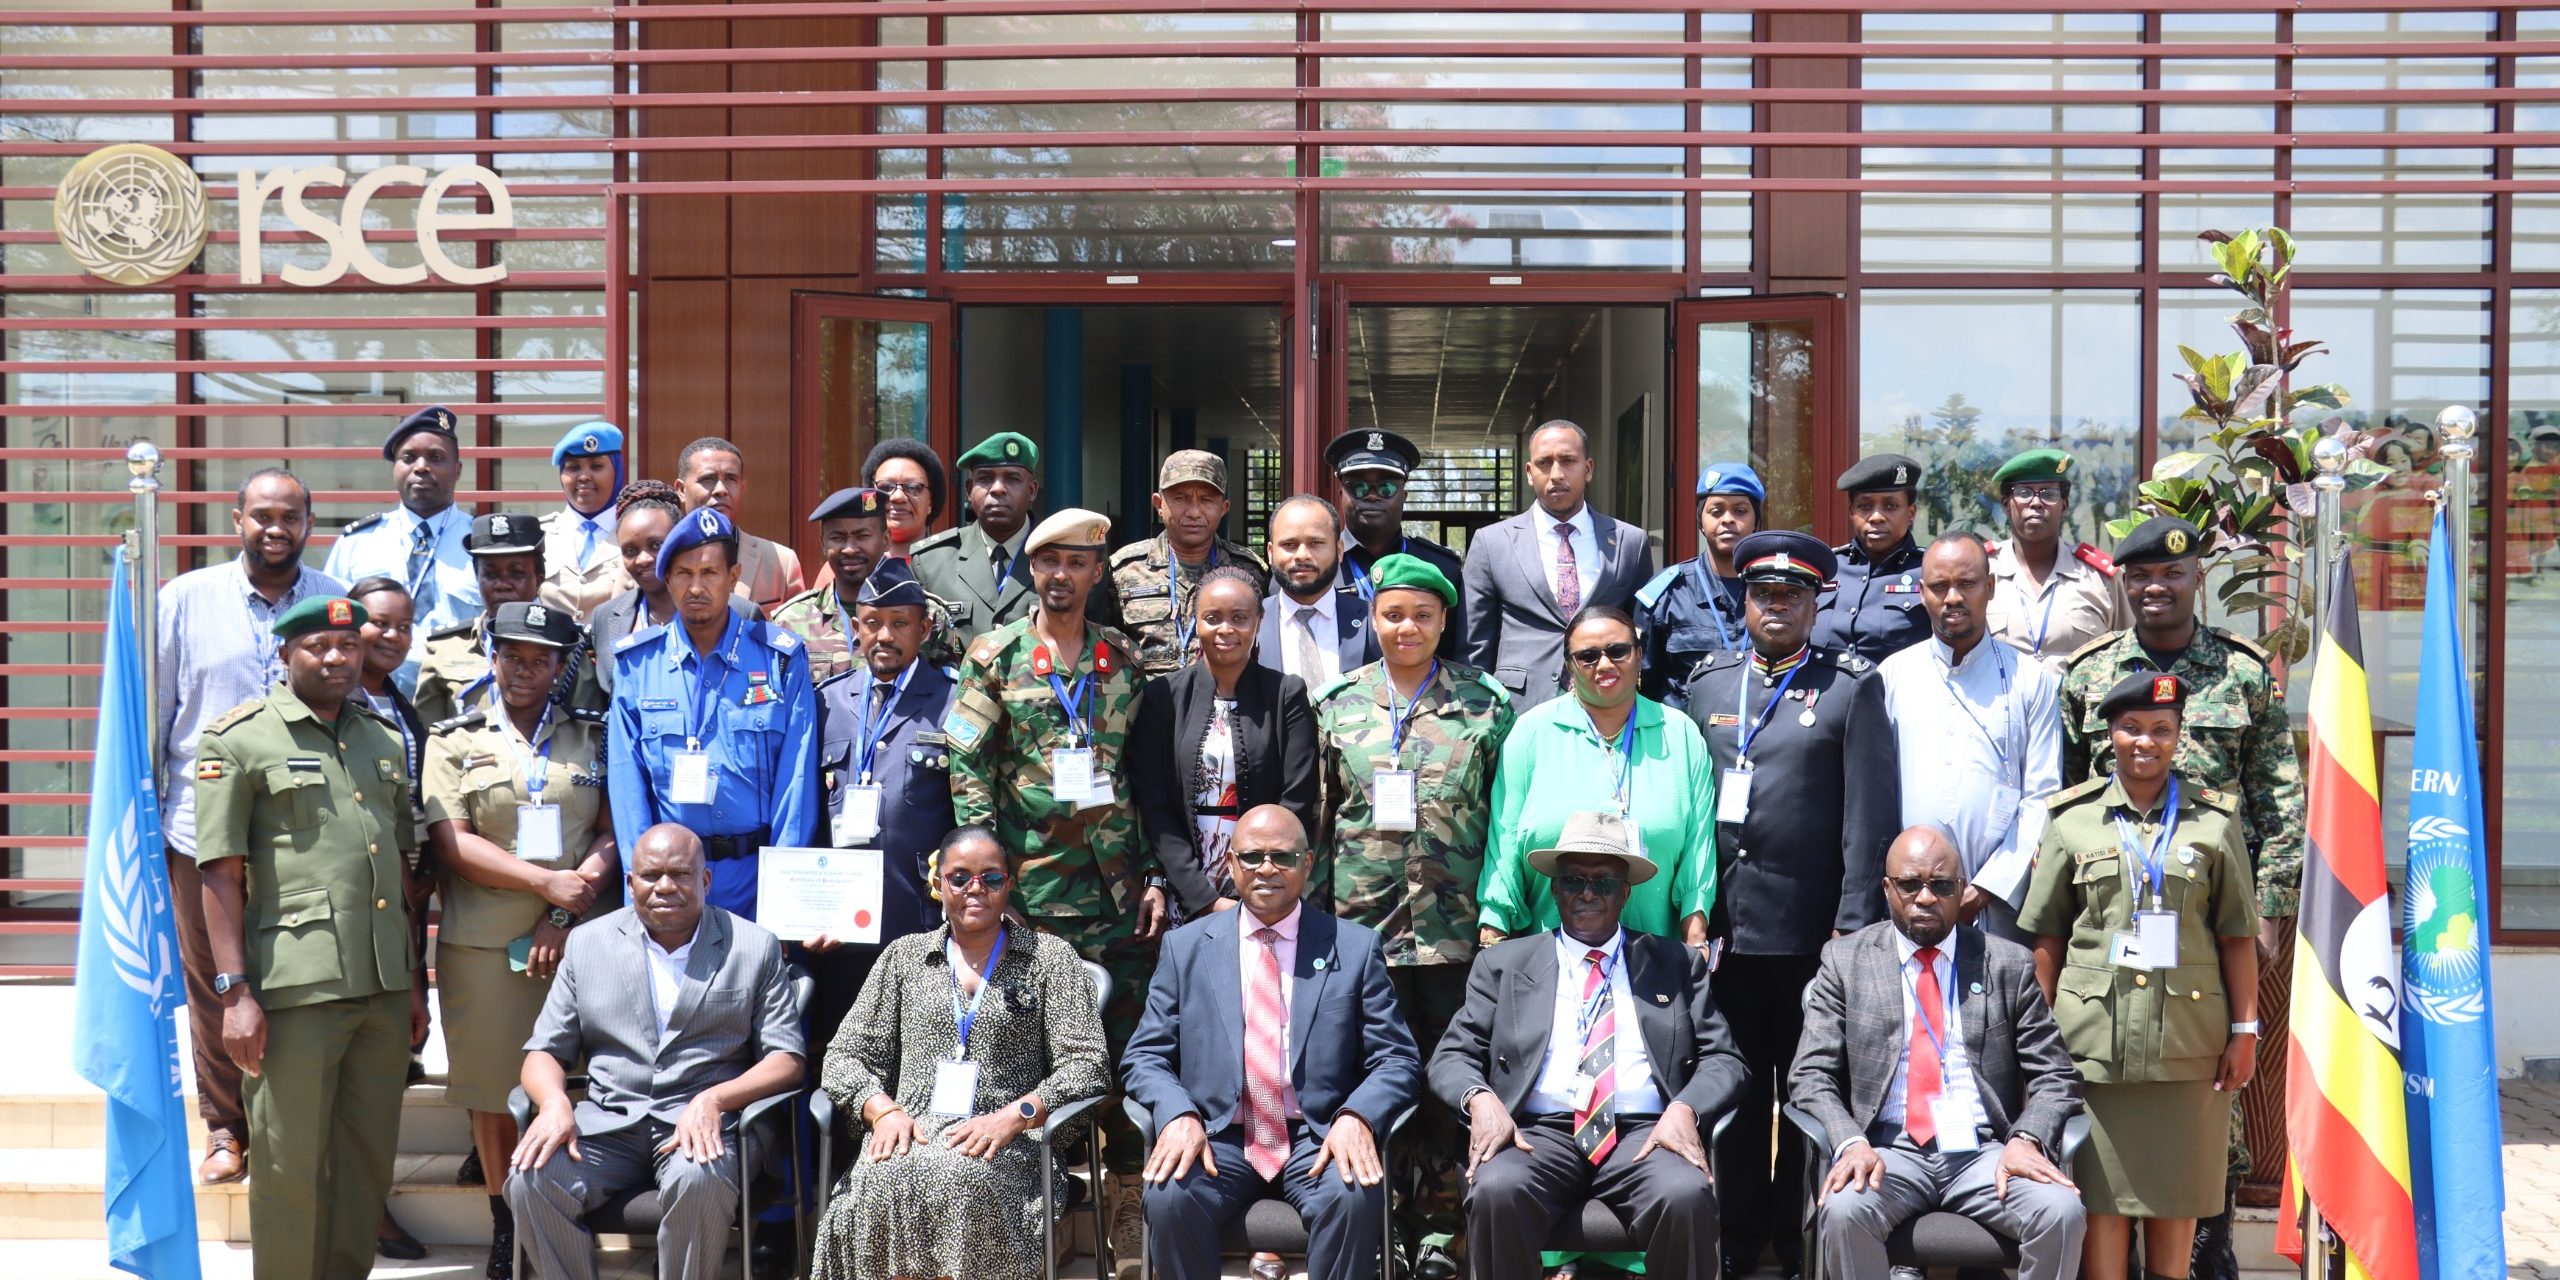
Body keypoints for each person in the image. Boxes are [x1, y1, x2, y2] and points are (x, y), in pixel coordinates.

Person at [2055, 515, 2299, 1264]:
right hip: (2115, 922)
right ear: (2123, 584)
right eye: (2140, 576)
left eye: (2171, 573)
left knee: (2210, 1096)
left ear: (2198, 579)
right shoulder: (2088, 674)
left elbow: (2282, 804)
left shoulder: (2245, 672)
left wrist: (2266, 918)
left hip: (2213, 921)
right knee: (2117, 1096)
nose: (2155, 586)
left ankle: (2209, 1245)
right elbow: (2070, 805)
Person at [1676, 528, 1900, 1279]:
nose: (1776, 607)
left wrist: (1854, 924)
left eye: (1792, 596)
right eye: (1763, 594)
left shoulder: (1851, 686)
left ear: (1815, 605)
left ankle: (1801, 1239)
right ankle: (1737, 1239)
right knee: (1736, 1091)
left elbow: (1870, 817)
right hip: (1729, 933)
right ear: (1744, 600)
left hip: (1813, 935)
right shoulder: (1708, 683)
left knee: (1810, 1095)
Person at [944, 505, 1165, 1268]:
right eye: (1048, 563)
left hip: (1115, 896)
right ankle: (1046, 1198)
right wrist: (985, 880)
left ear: (1097, 572)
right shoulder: (995, 655)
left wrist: (1154, 874)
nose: (1061, 576)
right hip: (1029, 900)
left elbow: (1148, 775)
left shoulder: (1123, 661)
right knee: (1029, 1051)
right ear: (1030, 571)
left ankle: (1128, 1195)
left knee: (1125, 1045)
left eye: (1077, 563)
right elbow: (968, 766)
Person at [190, 595, 424, 1280]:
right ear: (285, 654)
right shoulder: (238, 739)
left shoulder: (380, 738)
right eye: (319, 646)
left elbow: (401, 872)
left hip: (381, 990)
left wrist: (414, 984)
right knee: (290, 1168)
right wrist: (234, 995)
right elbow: (219, 874)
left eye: (347, 647)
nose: (336, 658)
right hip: (294, 989)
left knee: (366, 1164)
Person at [1309, 552, 1514, 1276]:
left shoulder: (1485, 702)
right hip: (1363, 935)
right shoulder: (1338, 704)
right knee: (1365, 1080)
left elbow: (1504, 819)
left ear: (1444, 620)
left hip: (1458, 936)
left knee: (1447, 1087)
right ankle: (1378, 1224)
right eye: (1393, 614)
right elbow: (1321, 825)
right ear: (1374, 617)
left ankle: (1437, 1235)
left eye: (1422, 615)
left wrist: (1498, 918)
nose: (1406, 627)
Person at [1430, 810, 1745, 1280]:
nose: (1587, 894)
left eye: (1604, 884)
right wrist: (1481, 1100)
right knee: (1497, 1188)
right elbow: (1452, 1055)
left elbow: (1725, 1060)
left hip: (1645, 1134)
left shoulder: (1673, 964)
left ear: (1627, 892)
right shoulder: (1506, 965)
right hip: (1537, 1134)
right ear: (1554, 890)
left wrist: (1686, 1109)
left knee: (1686, 1195)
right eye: (1574, 880)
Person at [2020, 673, 2261, 1280]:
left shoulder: (2214, 822)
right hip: (2092, 1045)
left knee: (2175, 1197)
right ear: (2110, 735)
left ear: (2179, 738)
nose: (2145, 742)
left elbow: (2236, 935)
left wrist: (2245, 1031)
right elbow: (2047, 937)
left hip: (2187, 1045)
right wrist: (2035, 1045)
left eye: (2161, 730)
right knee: (2100, 1199)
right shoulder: (2072, 822)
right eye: (2131, 728)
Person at [1127, 805, 1422, 1280]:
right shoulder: (1185, 948)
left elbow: (1398, 1060)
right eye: (1252, 857)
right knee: (1169, 1197)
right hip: (1217, 1133)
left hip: (1318, 1133)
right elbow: (1145, 1056)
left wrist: (1357, 1116)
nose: (1266, 869)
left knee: (1353, 1194)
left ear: (1308, 865)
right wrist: (1177, 1114)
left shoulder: (1353, 947)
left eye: (1282, 857)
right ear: (1230, 865)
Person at [809, 826, 1111, 1280]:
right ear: (938, 885)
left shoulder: (1050, 959)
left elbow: (1088, 1065)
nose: (976, 889)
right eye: (960, 877)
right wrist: (881, 1111)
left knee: (962, 1178)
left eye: (991, 879)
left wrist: (1019, 1113)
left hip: (1009, 1140)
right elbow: (845, 1055)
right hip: (908, 1131)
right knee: (877, 1179)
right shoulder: (903, 958)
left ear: (1009, 886)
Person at [506, 824, 806, 1280]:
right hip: (608, 1125)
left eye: (681, 874)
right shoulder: (587, 944)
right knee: (532, 1179)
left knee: (699, 1179)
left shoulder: (752, 945)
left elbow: (787, 1060)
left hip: (705, 1129)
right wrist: (552, 1103)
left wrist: (714, 1100)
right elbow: (544, 1051)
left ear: (705, 881)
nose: (665, 886)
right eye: (651, 875)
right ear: (630, 884)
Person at [153, 467, 342, 1187]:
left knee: (300, 982)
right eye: (261, 514)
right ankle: (226, 1128)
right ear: (236, 520)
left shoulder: (331, 601)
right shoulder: (184, 601)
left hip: (304, 828)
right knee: (216, 984)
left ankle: (295, 1130)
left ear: (308, 523)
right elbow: (158, 715)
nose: (275, 527)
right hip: (202, 831)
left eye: (289, 516)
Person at [1793, 826, 2088, 1280]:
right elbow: (1811, 1075)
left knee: (2061, 1210)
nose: (1925, 898)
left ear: (1962, 890)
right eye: (1910, 884)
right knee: (1844, 1209)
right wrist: (1849, 1141)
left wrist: (2026, 1139)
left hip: (1985, 1153)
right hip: (1885, 1150)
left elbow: (2056, 1076)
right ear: (1888, 889)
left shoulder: (2006, 964)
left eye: (1941, 885)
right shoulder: (1845, 961)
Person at [423, 601, 617, 1279]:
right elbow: (452, 841)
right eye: (512, 656)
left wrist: (563, 908)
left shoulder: (593, 735)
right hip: (484, 947)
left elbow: (613, 830)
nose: (524, 670)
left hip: (579, 937)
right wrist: (546, 885)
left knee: (576, 1081)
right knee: (492, 1092)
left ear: (563, 667)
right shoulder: (453, 738)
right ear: (492, 658)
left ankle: (564, 1211)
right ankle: (510, 1223)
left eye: (540, 659)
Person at [607, 505, 820, 921]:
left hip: (755, 878)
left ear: (734, 577)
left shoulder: (779, 659)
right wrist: (643, 884)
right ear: (667, 580)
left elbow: (796, 786)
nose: (696, 587)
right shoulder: (637, 665)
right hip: (670, 883)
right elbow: (627, 789)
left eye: (709, 573)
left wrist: (785, 897)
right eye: (684, 574)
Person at [1482, 604, 1716, 948]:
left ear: (1639, 655)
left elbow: (1699, 846)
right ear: (1569, 666)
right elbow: (1504, 841)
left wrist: (1694, 937)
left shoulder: (1679, 733)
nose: (1604, 665)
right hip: (1551, 955)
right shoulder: (1531, 732)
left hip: (1655, 955)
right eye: (1588, 656)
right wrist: (1494, 928)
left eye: (1618, 651)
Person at [1877, 532, 2064, 942]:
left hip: (1997, 905)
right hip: (1909, 906)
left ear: (1991, 587)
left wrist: (1987, 887)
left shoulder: (2030, 680)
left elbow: (2043, 797)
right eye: (1940, 586)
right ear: (1922, 592)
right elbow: (1874, 798)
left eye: (1967, 584)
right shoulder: (1892, 676)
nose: (1953, 598)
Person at [806, 557, 960, 1047]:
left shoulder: (952, 701)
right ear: (855, 628)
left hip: (917, 921)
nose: (884, 636)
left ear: (924, 628)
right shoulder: (827, 702)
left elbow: (968, 812)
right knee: (840, 1060)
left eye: (899, 624)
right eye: (872, 624)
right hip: (840, 931)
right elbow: (807, 814)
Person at [1130, 566, 1320, 918]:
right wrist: (1200, 896)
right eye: (1213, 618)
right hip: (1186, 886)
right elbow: (1155, 806)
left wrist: (1266, 876)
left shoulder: (1286, 695)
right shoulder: (1163, 697)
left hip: (1268, 882)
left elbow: (1298, 798)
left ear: (1259, 621)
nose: (1226, 629)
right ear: (1195, 621)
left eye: (1239, 617)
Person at [1462, 420, 1654, 708]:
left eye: (1568, 461)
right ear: (1529, 472)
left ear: (1588, 469)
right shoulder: (1492, 543)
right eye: (1544, 463)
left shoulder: (1630, 542)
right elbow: (1474, 647)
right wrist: (1478, 719)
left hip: (1608, 707)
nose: (1556, 474)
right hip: (1519, 709)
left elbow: (1642, 637)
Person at [349, 575, 438, 1105]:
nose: (392, 636)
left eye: (403, 626)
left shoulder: (401, 702)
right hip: (368, 863)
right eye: (379, 622)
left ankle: (407, 1055)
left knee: (409, 966)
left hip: (413, 856)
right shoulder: (338, 697)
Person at [322, 405, 479, 685]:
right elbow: (332, 625)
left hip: (462, 697)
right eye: (409, 457)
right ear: (395, 468)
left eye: (436, 457)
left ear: (457, 470)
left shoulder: (481, 545)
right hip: (374, 699)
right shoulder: (356, 544)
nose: (421, 467)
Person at [417, 512, 605, 727]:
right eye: (491, 574)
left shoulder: (568, 647)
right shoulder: (445, 648)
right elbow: (428, 735)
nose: (502, 584)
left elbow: (587, 734)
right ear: (477, 579)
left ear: (539, 579)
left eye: (516, 573)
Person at [1100, 449, 1270, 677]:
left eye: (1207, 500)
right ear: (1159, 504)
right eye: (1180, 498)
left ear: (1224, 508)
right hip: (1149, 708)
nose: (1193, 512)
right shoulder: (1124, 571)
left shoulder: (1248, 571)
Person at [589, 480, 762, 695]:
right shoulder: (605, 617)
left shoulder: (743, 612)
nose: (643, 559)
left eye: (656, 545)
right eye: (630, 551)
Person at [1325, 427, 1467, 657]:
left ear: (1403, 496)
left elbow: (1458, 652)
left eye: (1386, 487)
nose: (1372, 495)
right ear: (1341, 493)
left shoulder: (1442, 567)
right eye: (1358, 487)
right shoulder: (1319, 567)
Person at [1985, 447, 2130, 670]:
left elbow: (2129, 651)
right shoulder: (1981, 572)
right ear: (2006, 504)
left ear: (2064, 505)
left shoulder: (2102, 579)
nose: (2035, 503)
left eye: (2049, 494)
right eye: (2024, 493)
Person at [1636, 461, 1761, 706]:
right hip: (1683, 739)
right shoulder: (1667, 594)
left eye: (1740, 511)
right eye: (1716, 511)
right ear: (1700, 521)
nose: (1728, 520)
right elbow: (1643, 682)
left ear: (1757, 520)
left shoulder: (1777, 592)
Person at [911, 431, 1043, 647]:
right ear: (969, 491)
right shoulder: (930, 562)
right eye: (985, 478)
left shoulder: (1062, 559)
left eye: (1012, 478)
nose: (998, 489)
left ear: (1032, 491)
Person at [1815, 452, 1932, 665]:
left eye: (1890, 506)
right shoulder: (1826, 567)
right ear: (1851, 512)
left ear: (1911, 513)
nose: (1876, 517)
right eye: (1865, 506)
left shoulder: (1931, 570)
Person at [773, 486, 893, 684]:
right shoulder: (789, 622)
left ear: (886, 539)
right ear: (822, 543)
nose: (850, 549)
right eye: (837, 538)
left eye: (862, 536)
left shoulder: (924, 616)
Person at [1258, 493, 1378, 686]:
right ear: (1270, 553)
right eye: (1289, 545)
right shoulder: (1251, 623)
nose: (1302, 555)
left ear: (1339, 550)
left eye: (1316, 543)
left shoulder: (1372, 621)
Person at [675, 435, 805, 611]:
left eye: (730, 479)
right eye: (708, 479)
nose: (721, 490)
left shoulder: (781, 562)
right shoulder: (655, 560)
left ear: (742, 488)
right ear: (681, 490)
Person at [538, 421, 628, 621]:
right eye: (573, 467)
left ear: (618, 470)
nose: (584, 476)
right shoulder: (539, 535)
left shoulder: (637, 535)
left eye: (596, 466)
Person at [864, 435, 951, 559]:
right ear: (869, 498)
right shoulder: (845, 567)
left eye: (913, 487)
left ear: (930, 502)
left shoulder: (952, 568)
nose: (898, 497)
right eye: (886, 487)